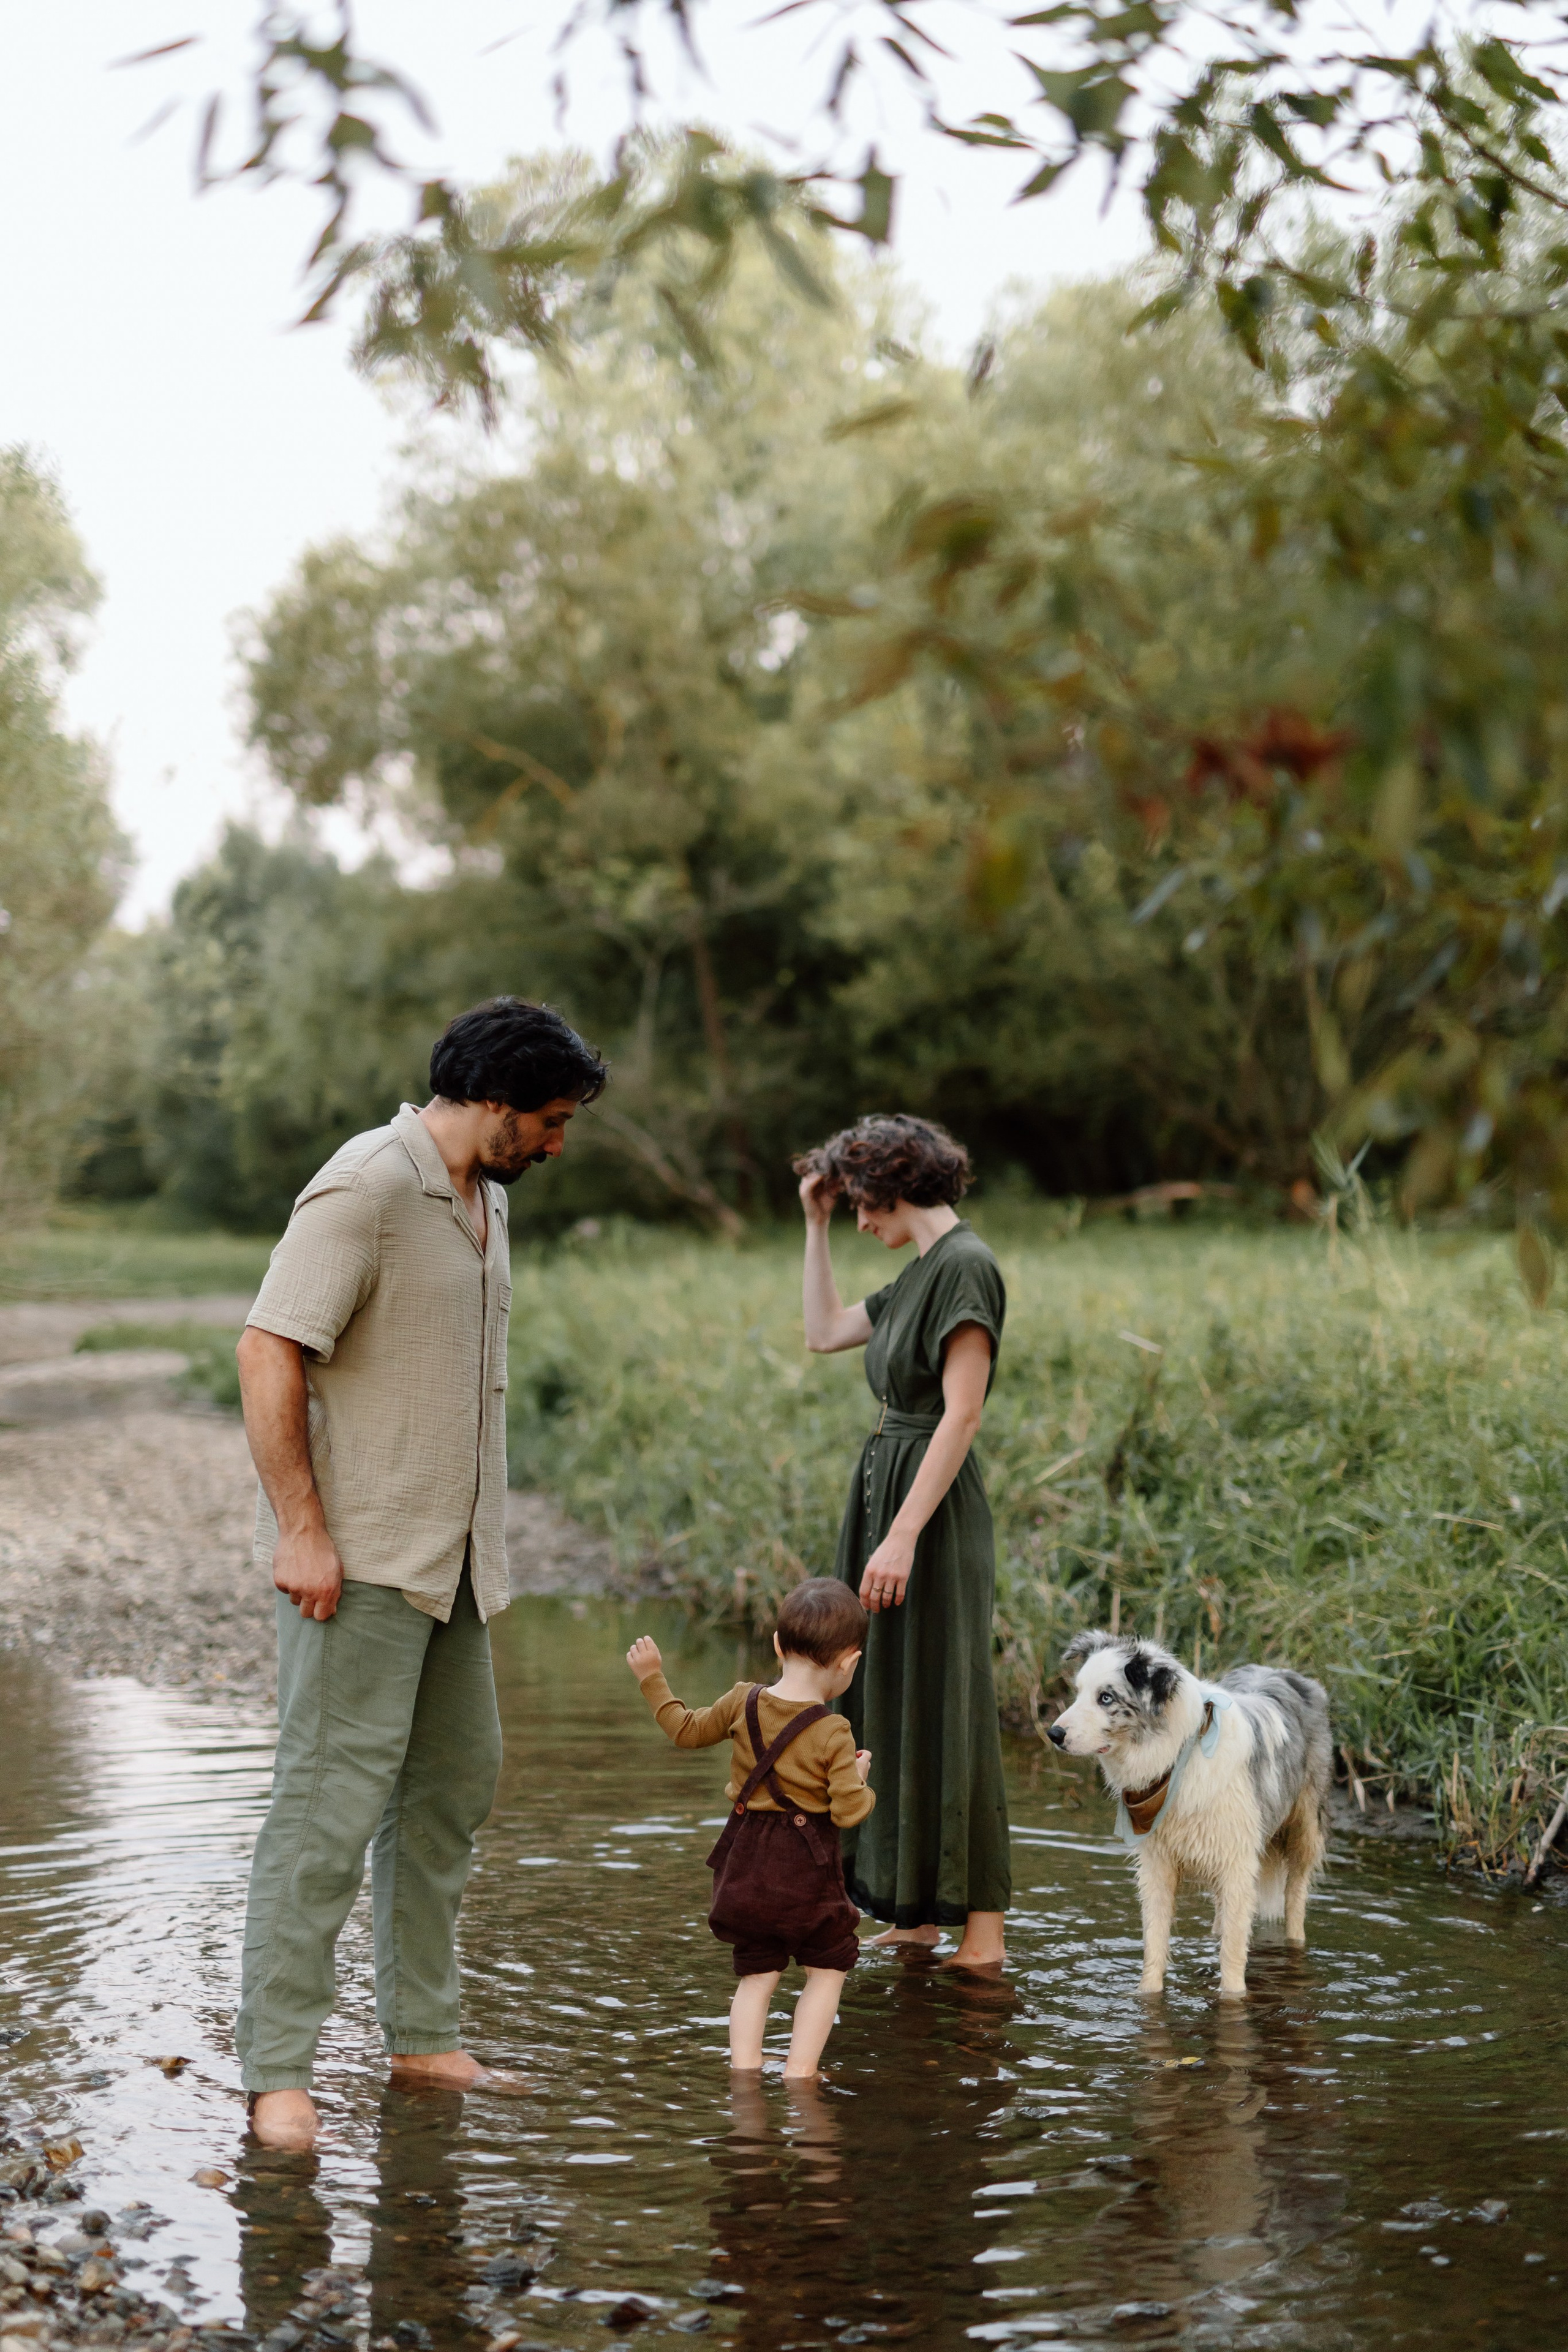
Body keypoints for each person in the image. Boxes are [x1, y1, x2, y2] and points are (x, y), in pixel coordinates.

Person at [233, 996, 608, 2151]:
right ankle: (277, 2074)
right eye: (546, 1121)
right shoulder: (368, 1187)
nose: (557, 1143)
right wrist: (302, 1528)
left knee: (453, 1786)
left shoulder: (488, 1199)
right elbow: (268, 1349)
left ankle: (424, 2040)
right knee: (328, 1806)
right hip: (360, 1560)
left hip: (457, 1569)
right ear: (491, 1101)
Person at [794, 1114, 1010, 1969]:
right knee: (888, 1696)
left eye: (856, 1206)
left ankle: (983, 1929)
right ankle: (915, 1913)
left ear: (893, 1186)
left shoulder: (967, 1267)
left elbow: (963, 1412)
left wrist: (905, 1537)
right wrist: (811, 1227)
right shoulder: (921, 1271)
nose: (857, 1222)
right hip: (885, 1496)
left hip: (930, 1514)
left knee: (946, 1698)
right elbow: (823, 1332)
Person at [626, 1579, 875, 2079]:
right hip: (805, 1872)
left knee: (756, 1977)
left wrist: (653, 1678)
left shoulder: (743, 1701)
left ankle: (745, 2075)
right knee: (827, 1971)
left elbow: (686, 1730)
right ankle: (800, 2073)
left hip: (746, 1868)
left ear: (778, 1645)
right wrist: (860, 1778)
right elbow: (850, 1813)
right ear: (850, 1662)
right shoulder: (833, 1731)